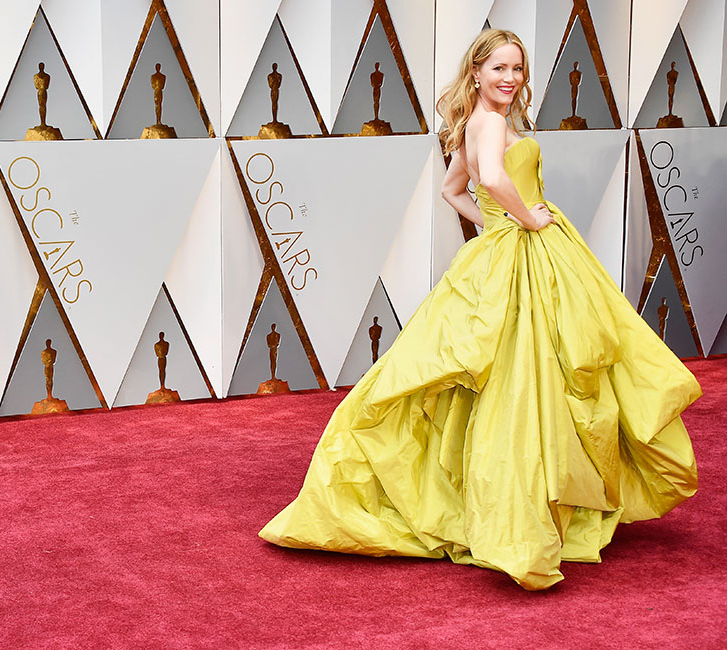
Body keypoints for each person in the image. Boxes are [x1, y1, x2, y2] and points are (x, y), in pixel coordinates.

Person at [259, 29, 700, 590]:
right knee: (528, 375)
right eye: (499, 69)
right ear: (476, 73)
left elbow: (453, 189)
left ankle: (513, 500)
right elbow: (488, 177)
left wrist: (494, 219)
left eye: (517, 69)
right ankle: (520, 512)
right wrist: (525, 218)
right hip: (522, 248)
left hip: (514, 249)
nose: (510, 78)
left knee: (528, 371)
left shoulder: (481, 123)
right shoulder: (487, 123)